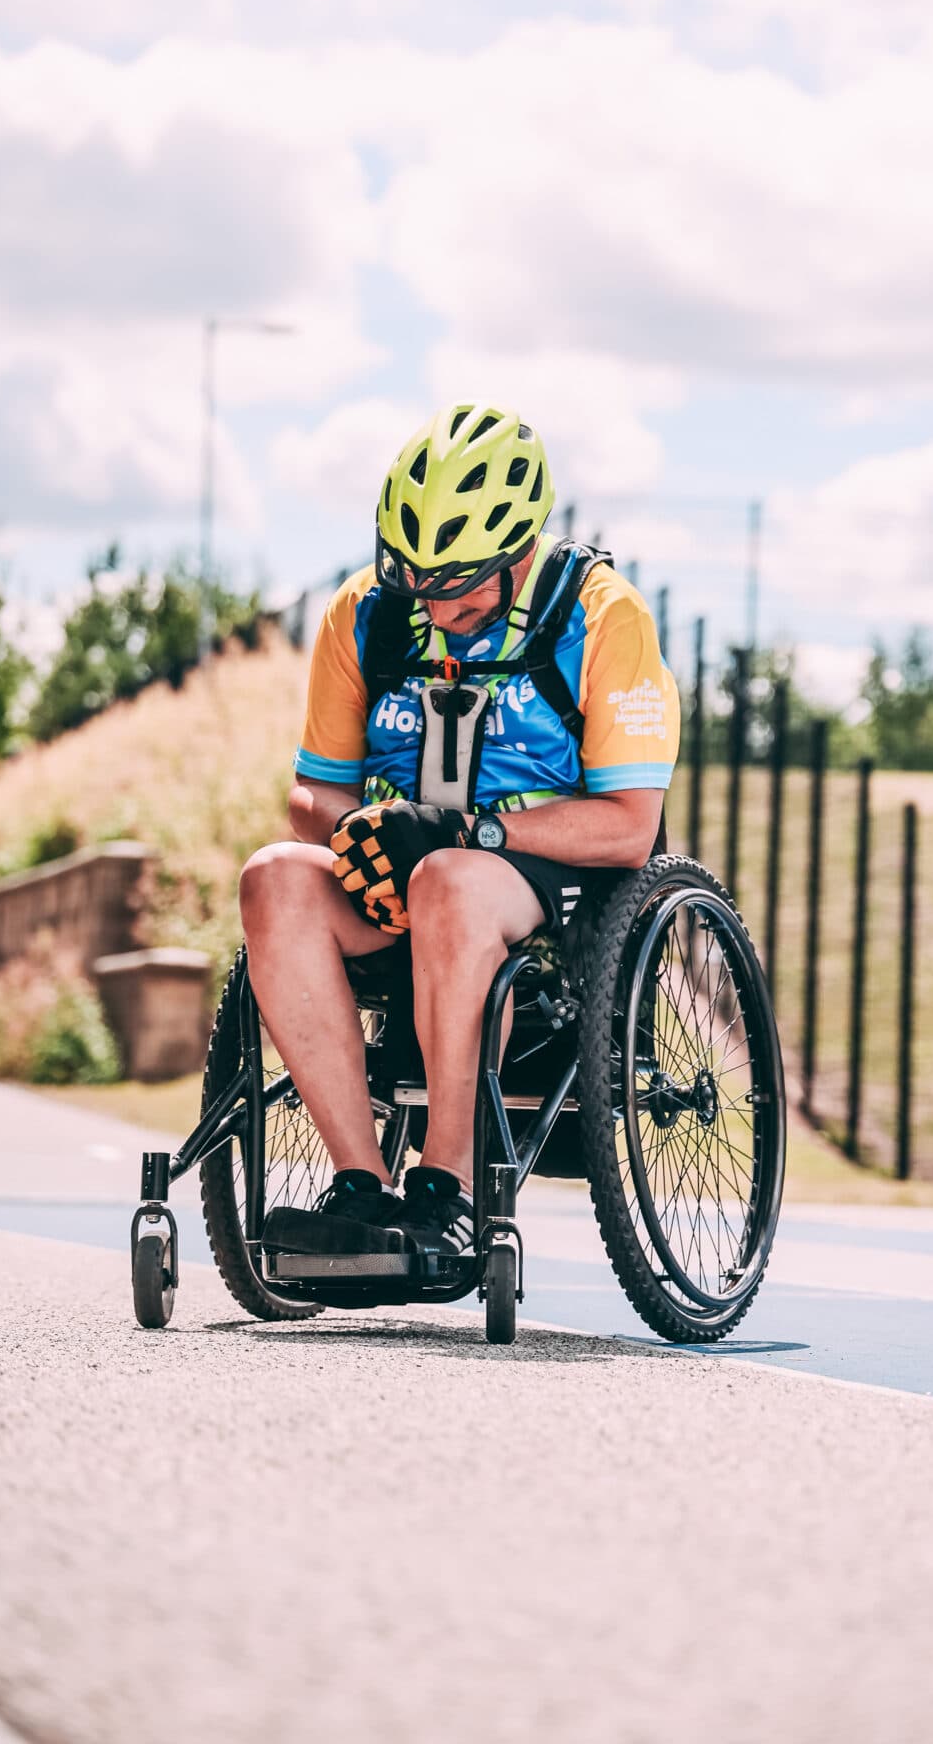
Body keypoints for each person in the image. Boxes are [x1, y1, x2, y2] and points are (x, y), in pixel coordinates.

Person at [239, 404, 679, 1262]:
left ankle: (446, 1191)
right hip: (403, 867)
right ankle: (362, 1190)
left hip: (544, 871)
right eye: (418, 581)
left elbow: (630, 828)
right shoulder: (363, 613)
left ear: (521, 553)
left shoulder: (602, 615)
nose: (438, 608)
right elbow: (312, 793)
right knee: (274, 876)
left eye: (462, 585)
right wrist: (363, 828)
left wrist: (465, 831)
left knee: (450, 877)